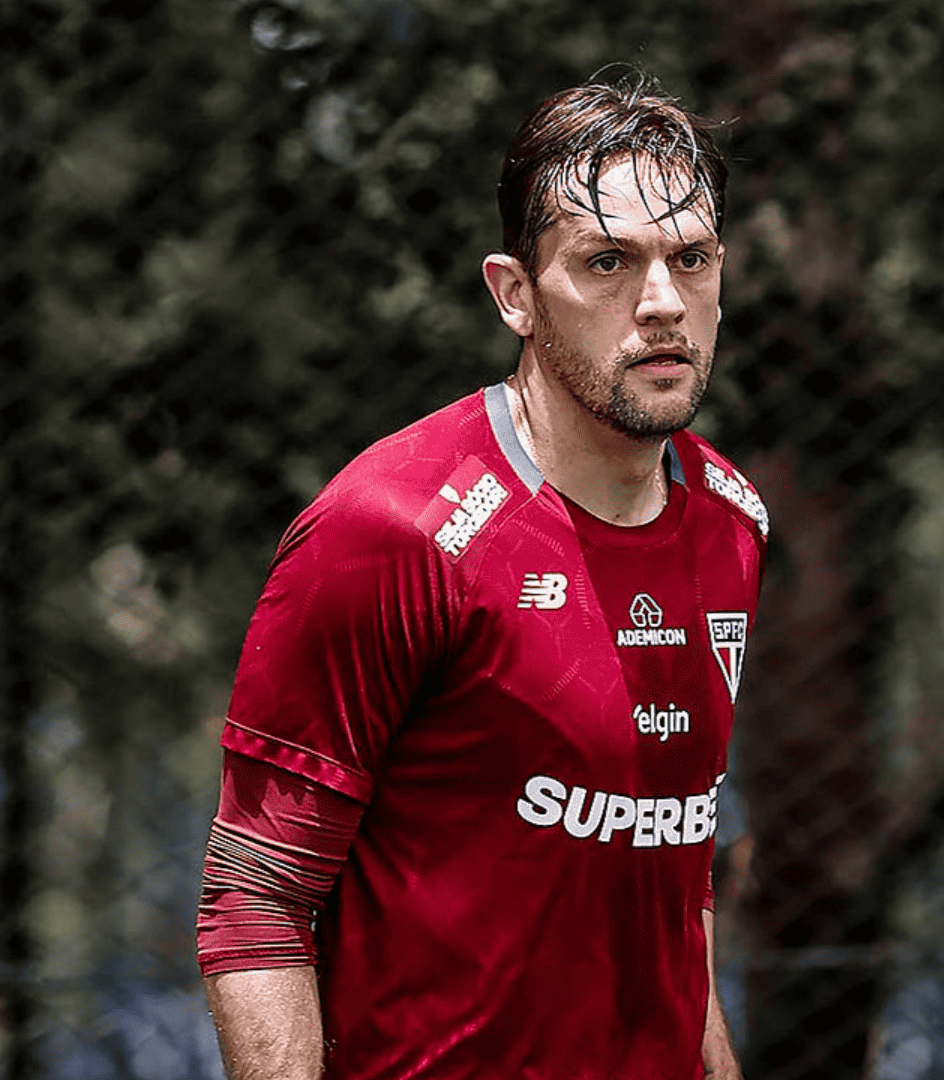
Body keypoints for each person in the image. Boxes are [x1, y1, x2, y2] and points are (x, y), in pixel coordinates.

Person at [197, 71, 769, 1080]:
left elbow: (677, 886)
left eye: (693, 258)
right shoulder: (391, 528)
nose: (664, 303)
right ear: (514, 294)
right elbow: (257, 898)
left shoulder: (731, 520)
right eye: (607, 262)